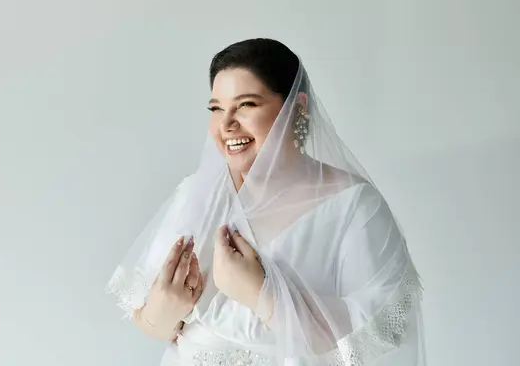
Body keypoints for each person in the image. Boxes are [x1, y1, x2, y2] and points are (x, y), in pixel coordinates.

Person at [106, 38, 426, 365]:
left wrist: (262, 294)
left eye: (246, 105)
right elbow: (152, 323)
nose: (227, 124)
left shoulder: (354, 206)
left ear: (297, 107)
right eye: (217, 108)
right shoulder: (196, 195)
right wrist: (163, 311)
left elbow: (379, 336)